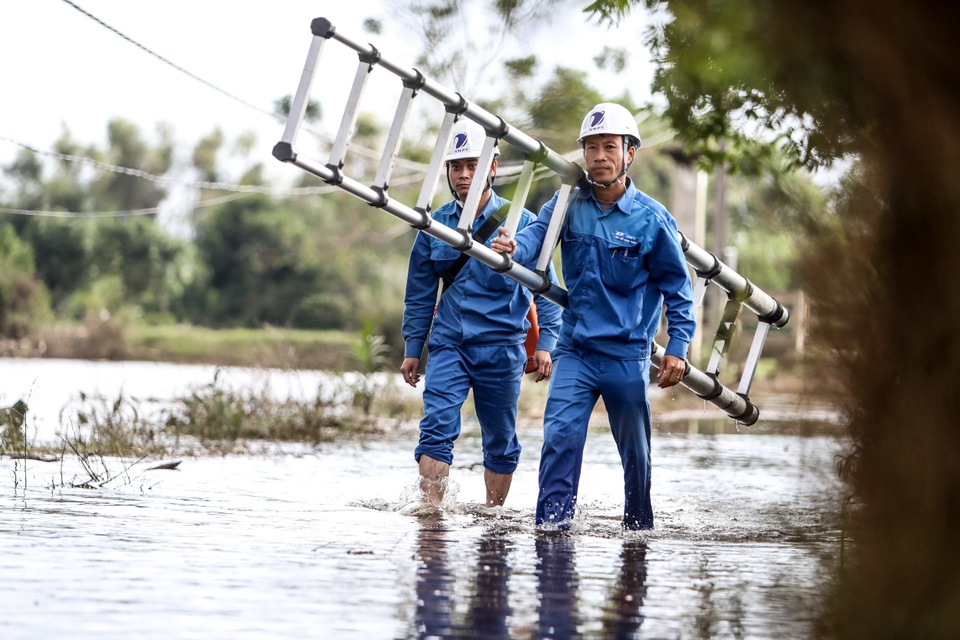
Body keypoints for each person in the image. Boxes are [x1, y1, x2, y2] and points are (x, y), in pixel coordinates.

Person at [491, 102, 696, 530]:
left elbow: (679, 290)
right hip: (576, 350)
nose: (599, 156)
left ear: (630, 154)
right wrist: (513, 247)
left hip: (626, 355)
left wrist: (677, 348)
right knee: (560, 439)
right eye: (591, 147)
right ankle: (551, 530)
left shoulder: (652, 220)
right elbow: (536, 237)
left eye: (609, 147)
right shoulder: (569, 202)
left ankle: (639, 532)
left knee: (635, 455)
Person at [400, 119, 562, 508]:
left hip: (503, 347)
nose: (464, 174)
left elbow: (547, 290)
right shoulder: (433, 225)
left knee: (501, 440)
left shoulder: (522, 222)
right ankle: (431, 517)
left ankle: (493, 521)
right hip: (449, 344)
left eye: (473, 165)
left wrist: (547, 346)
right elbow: (419, 294)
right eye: (456, 167)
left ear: (492, 168)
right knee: (437, 427)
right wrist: (412, 348)